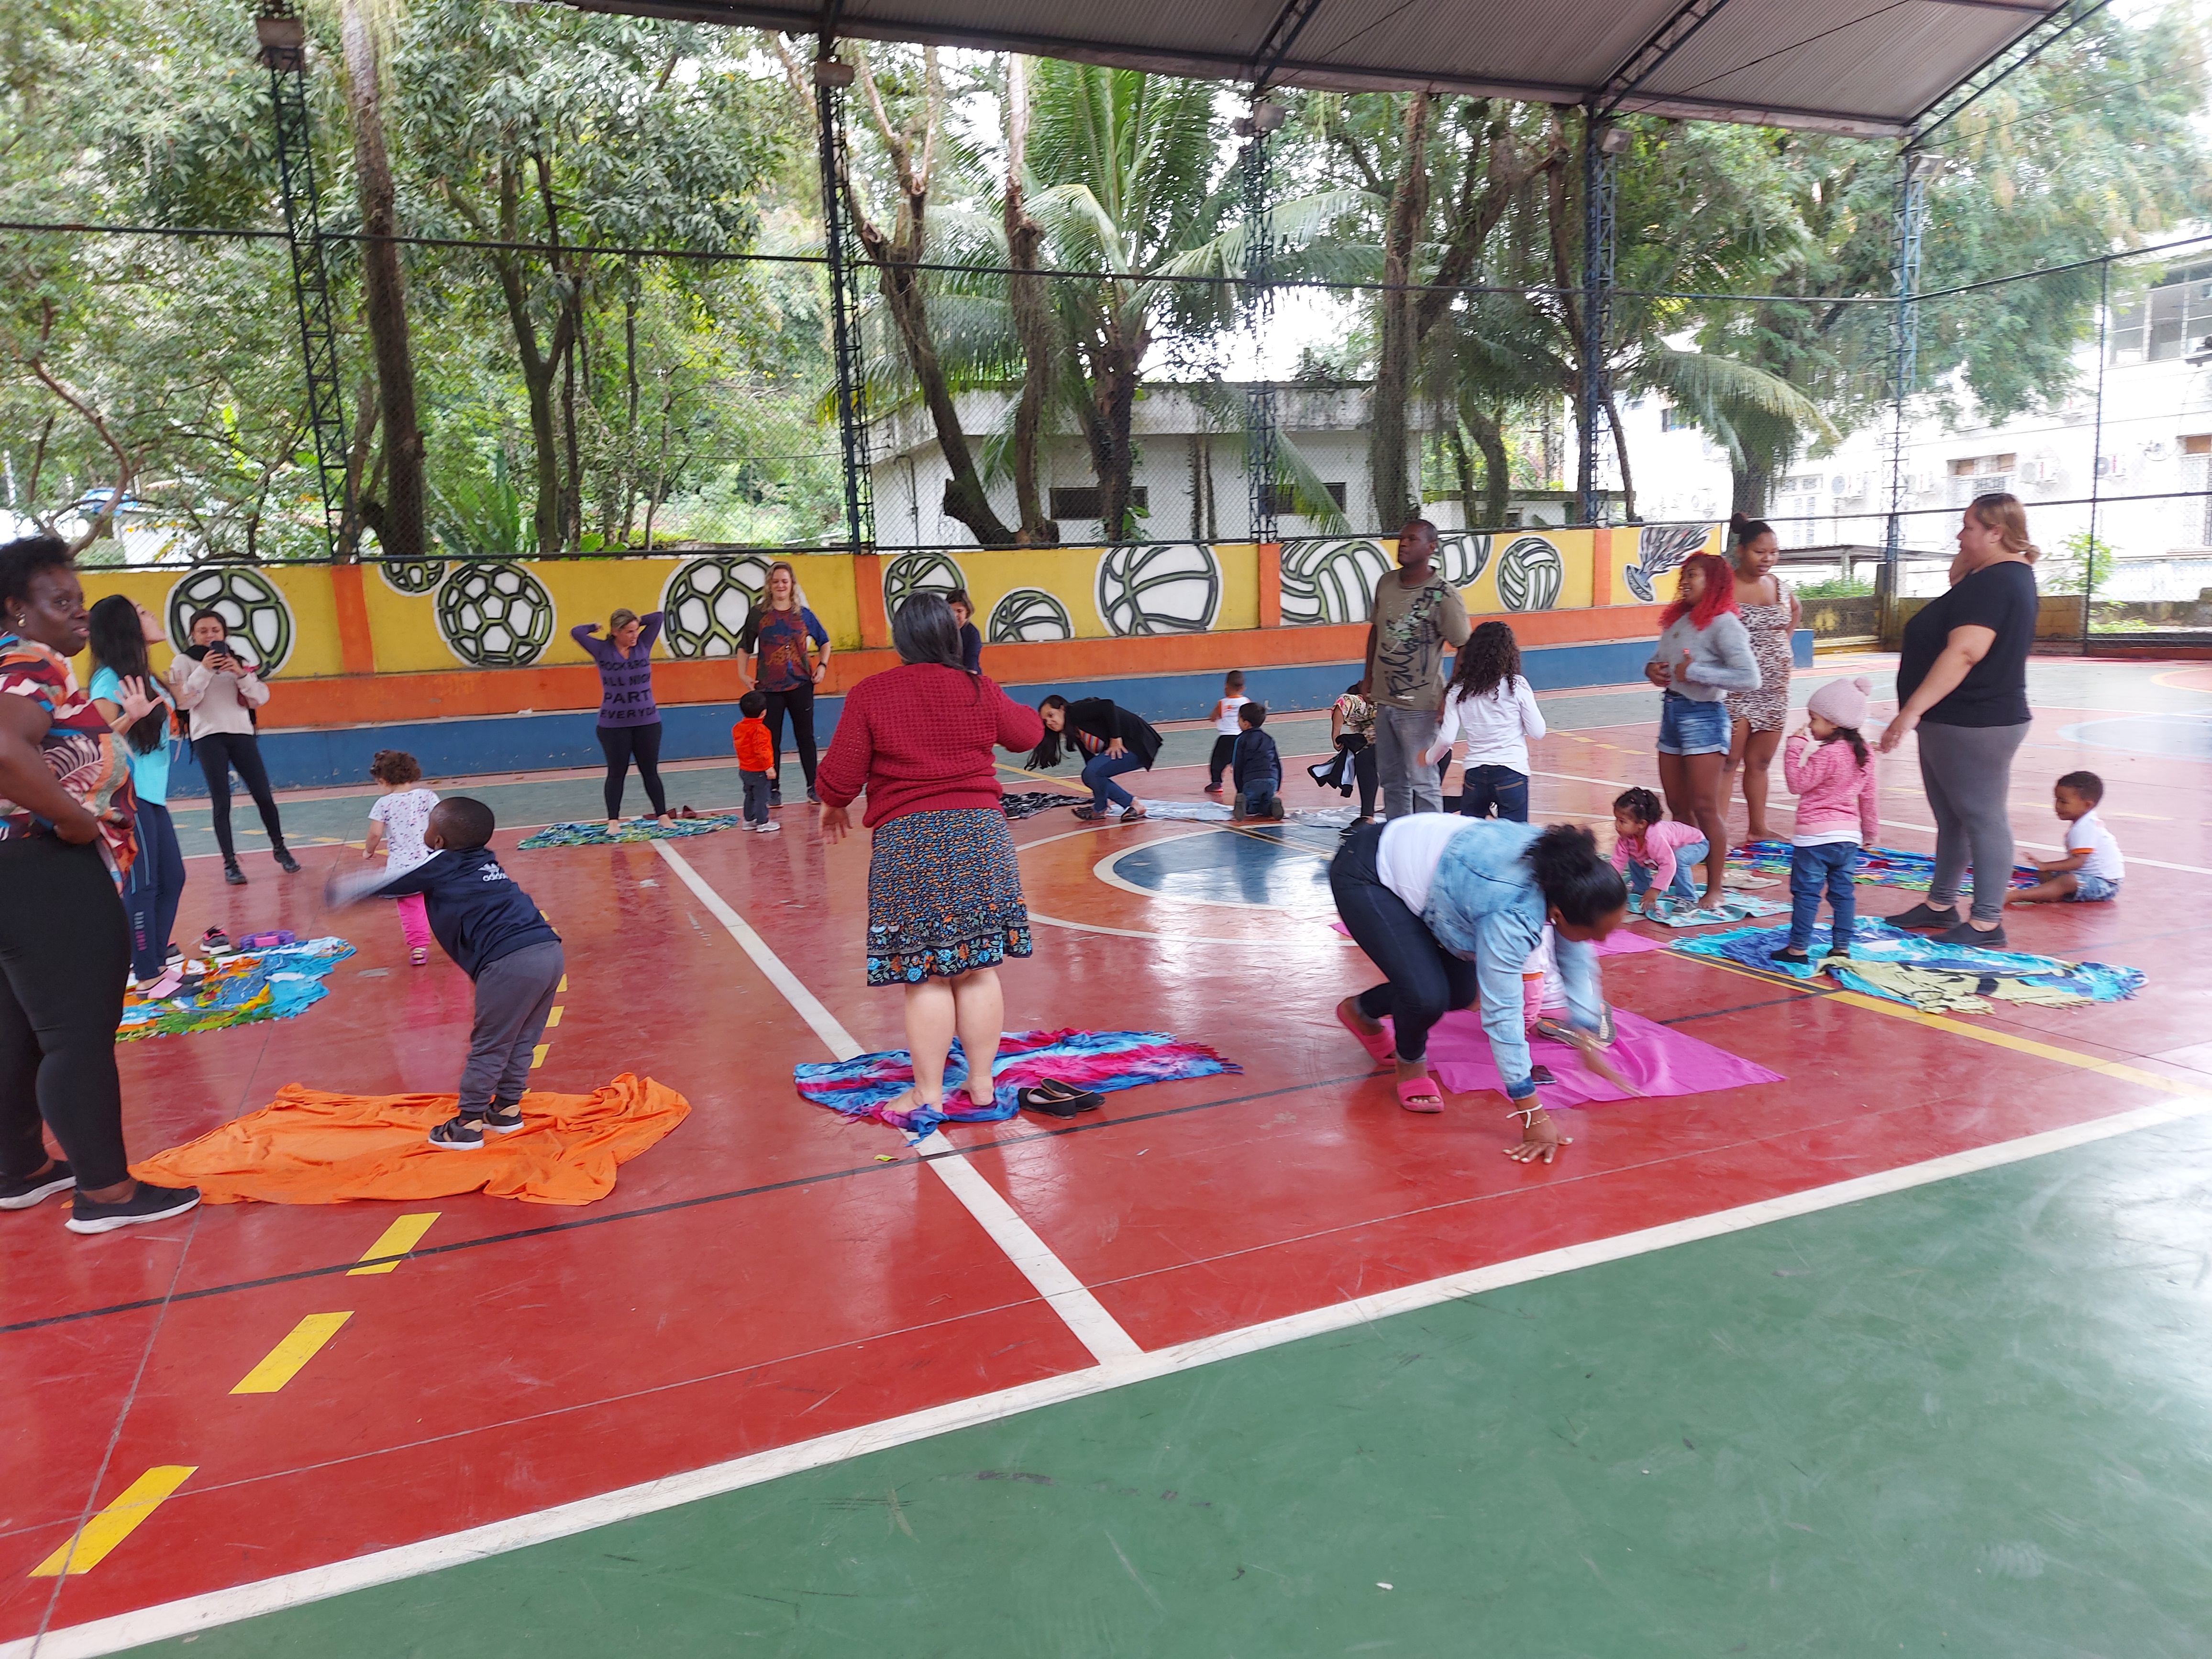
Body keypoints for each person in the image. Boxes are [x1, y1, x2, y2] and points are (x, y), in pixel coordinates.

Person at [0, 536, 199, 1232]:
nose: (79, 613)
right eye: (61, 602)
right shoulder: (29, 665)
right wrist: (73, 820)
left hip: (12, 869)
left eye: (80, 600)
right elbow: (5, 748)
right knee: (76, 1032)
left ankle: (20, 1169)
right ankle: (107, 1193)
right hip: (44, 867)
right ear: (16, 608)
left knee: (18, 1026)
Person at [816, 595, 1045, 1118]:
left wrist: (832, 803)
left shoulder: (871, 693)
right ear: (951, 636)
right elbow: (1027, 733)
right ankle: (982, 1084)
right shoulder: (977, 687)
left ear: (900, 641)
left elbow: (840, 776)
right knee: (978, 969)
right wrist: (995, 696)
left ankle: (928, 1092)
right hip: (980, 838)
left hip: (909, 844)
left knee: (926, 973)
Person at [1329, 816, 1628, 1158]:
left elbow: (1575, 953)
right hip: (1367, 871)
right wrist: (1532, 1112)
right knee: (1427, 998)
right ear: (1558, 915)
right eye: (1596, 933)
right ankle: (1410, 1061)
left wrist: (1585, 1030)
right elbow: (1504, 1012)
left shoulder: (1569, 878)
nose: (1602, 942)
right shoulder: (1511, 913)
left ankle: (1361, 1010)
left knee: (1459, 993)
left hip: (1443, 880)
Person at [326, 797, 564, 1150]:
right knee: (521, 1039)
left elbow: (394, 882)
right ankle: (506, 1109)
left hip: (509, 962)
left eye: (429, 828)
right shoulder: (486, 861)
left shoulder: (444, 863)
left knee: (491, 1045)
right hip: (548, 951)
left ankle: (467, 1125)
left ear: (438, 840)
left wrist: (341, 892)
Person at [1881, 494, 2040, 948]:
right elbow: (1958, 585)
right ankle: (1941, 903)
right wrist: (1969, 560)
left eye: (1969, 527)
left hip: (1975, 722)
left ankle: (1987, 921)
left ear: (1996, 532)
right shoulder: (1995, 578)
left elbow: (1966, 652)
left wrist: (1910, 711)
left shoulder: (1996, 582)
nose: (1959, 535)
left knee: (1982, 818)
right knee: (1953, 818)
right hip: (1957, 719)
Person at [1645, 551, 1758, 911]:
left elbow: (1750, 678)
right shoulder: (1677, 620)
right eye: (1684, 575)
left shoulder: (1725, 624)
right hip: (1672, 714)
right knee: (1678, 808)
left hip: (1704, 718)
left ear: (1715, 581)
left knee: (1705, 807)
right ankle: (1683, 885)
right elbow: (1660, 660)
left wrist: (1697, 673)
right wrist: (1653, 670)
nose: (1685, 581)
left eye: (1693, 574)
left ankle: (1715, 888)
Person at [87, 595, 185, 994]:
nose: (152, 615)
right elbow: (96, 744)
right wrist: (131, 717)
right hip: (130, 795)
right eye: (143, 612)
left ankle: (155, 962)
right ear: (126, 625)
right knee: (143, 884)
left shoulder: (147, 676)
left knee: (172, 879)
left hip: (152, 794)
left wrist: (182, 695)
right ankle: (146, 975)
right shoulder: (109, 681)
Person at [173, 608, 298, 885]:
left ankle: (280, 848)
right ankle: (230, 863)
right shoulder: (183, 661)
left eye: (215, 630)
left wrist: (241, 674)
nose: (210, 636)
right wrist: (205, 670)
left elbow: (259, 698)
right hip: (208, 736)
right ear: (192, 635)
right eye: (203, 631)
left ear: (224, 633)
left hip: (241, 733)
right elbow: (185, 701)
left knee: (263, 794)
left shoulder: (238, 661)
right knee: (222, 801)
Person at [1362, 516, 1471, 818]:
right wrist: (1368, 677)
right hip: (1386, 700)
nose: (1404, 544)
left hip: (1421, 706)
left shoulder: (1444, 595)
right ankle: (1398, 835)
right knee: (1391, 780)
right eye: (1402, 538)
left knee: (1423, 781)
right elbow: (1376, 630)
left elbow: (1464, 646)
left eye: (1413, 539)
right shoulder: (1386, 583)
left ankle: (1428, 839)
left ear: (1431, 547)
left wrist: (1450, 695)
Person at [1774, 676, 1879, 966]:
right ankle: (1841, 947)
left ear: (1834, 723)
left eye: (1814, 719)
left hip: (1814, 838)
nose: (1810, 726)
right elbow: (1869, 795)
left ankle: (1798, 949)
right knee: (1843, 894)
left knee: (1807, 894)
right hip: (1848, 838)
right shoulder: (1865, 753)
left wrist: (1794, 748)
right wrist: (1870, 832)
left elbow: (1797, 783)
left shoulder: (1827, 755)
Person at [1720, 517, 1800, 841]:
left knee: (1761, 761)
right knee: (1729, 761)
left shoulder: (1779, 585)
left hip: (1774, 691)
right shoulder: (1724, 587)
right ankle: (1715, 834)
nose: (1767, 559)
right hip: (1736, 691)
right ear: (1741, 551)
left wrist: (1782, 646)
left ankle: (1758, 828)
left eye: (1773, 552)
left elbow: (1795, 610)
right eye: (1759, 552)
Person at [1423, 620, 1544, 821]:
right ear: (1509, 652)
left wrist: (1428, 759)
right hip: (1512, 771)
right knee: (1514, 836)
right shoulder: (1517, 686)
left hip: (1476, 774)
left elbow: (1446, 739)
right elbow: (1538, 732)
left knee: (1473, 833)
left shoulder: (1458, 690)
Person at [741, 561, 831, 807]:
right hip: (769, 688)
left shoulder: (804, 615)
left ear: (792, 585)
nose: (780, 585)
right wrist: (742, 674)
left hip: (801, 685)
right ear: (769, 585)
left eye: (785, 581)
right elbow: (744, 646)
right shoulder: (758, 615)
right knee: (770, 740)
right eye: (776, 581)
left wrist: (822, 666)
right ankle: (773, 790)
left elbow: (824, 641)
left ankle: (814, 787)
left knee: (806, 737)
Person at [570, 606, 668, 829]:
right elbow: (577, 632)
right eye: (629, 632)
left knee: (650, 771)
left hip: (648, 722)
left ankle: (663, 816)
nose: (635, 636)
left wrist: (637, 620)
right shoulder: (601, 650)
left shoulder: (643, 644)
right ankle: (613, 821)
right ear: (615, 632)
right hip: (613, 725)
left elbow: (658, 618)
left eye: (636, 630)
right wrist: (594, 627)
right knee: (616, 773)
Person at [1030, 695, 1161, 823]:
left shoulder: (1077, 711)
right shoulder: (1073, 730)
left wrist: (1116, 739)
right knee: (1090, 776)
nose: (1049, 722)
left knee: (1092, 773)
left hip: (1139, 743)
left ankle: (1121, 806)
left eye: (1051, 715)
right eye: (1045, 721)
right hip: (1130, 745)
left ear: (1062, 709)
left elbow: (1108, 705)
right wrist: (1096, 785)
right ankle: (1105, 808)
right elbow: (1090, 763)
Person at [365, 750, 440, 968]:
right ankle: (462, 940)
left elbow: (375, 834)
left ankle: (418, 948)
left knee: (411, 908)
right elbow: (442, 821)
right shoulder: (428, 796)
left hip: (404, 869)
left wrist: (369, 851)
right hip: (432, 862)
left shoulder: (383, 804)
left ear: (384, 780)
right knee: (444, 902)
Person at [2008, 770, 2124, 907]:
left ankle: (2015, 896)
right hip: (2086, 877)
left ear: (2087, 805)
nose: (2057, 806)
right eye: (2056, 800)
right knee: (2045, 874)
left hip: (2106, 884)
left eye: (2063, 802)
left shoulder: (2085, 827)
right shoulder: (2084, 823)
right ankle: (2051, 893)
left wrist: (2046, 865)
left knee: (2066, 881)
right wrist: (2045, 869)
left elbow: (2078, 862)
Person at [1609, 786, 1709, 917]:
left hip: (1697, 844)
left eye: (1622, 821)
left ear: (1641, 824)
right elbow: (1617, 863)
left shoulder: (1655, 837)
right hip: (1671, 850)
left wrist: (1656, 890)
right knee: (1634, 856)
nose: (1616, 825)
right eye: (1616, 819)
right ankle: (1641, 889)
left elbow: (1669, 864)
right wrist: (1607, 886)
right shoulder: (1626, 838)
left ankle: (1688, 899)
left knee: (1679, 859)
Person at [1309, 680, 1380, 827]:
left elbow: (1344, 702)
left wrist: (1336, 735)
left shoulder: (1368, 703)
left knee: (1365, 758)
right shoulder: (1369, 708)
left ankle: (1368, 814)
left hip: (1392, 744)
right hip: (1397, 744)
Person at [732, 691, 779, 833]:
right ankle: (763, 822)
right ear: (764, 712)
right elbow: (762, 750)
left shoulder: (738, 727)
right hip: (758, 771)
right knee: (762, 797)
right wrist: (769, 767)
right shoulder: (760, 730)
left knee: (750, 795)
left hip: (745, 769)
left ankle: (749, 820)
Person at [1229, 701, 1282, 820]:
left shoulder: (1241, 740)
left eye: (1239, 719)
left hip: (1251, 780)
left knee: (1252, 805)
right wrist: (1278, 784)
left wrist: (1240, 790)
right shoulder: (1269, 739)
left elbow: (1238, 765)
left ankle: (1244, 806)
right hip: (1272, 779)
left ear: (1246, 723)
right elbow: (1277, 763)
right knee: (1265, 805)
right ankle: (1271, 807)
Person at [1204, 670, 1250, 796]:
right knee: (1242, 762)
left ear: (1226, 687)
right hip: (1242, 737)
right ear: (1243, 688)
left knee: (1217, 761)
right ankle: (1245, 784)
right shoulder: (1246, 702)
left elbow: (1212, 717)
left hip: (1226, 738)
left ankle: (1216, 783)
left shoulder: (1222, 703)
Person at [947, 589, 984, 675]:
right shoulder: (942, 631)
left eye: (959, 611)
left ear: (968, 611)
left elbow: (971, 665)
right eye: (951, 611)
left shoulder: (972, 634)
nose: (954, 615)